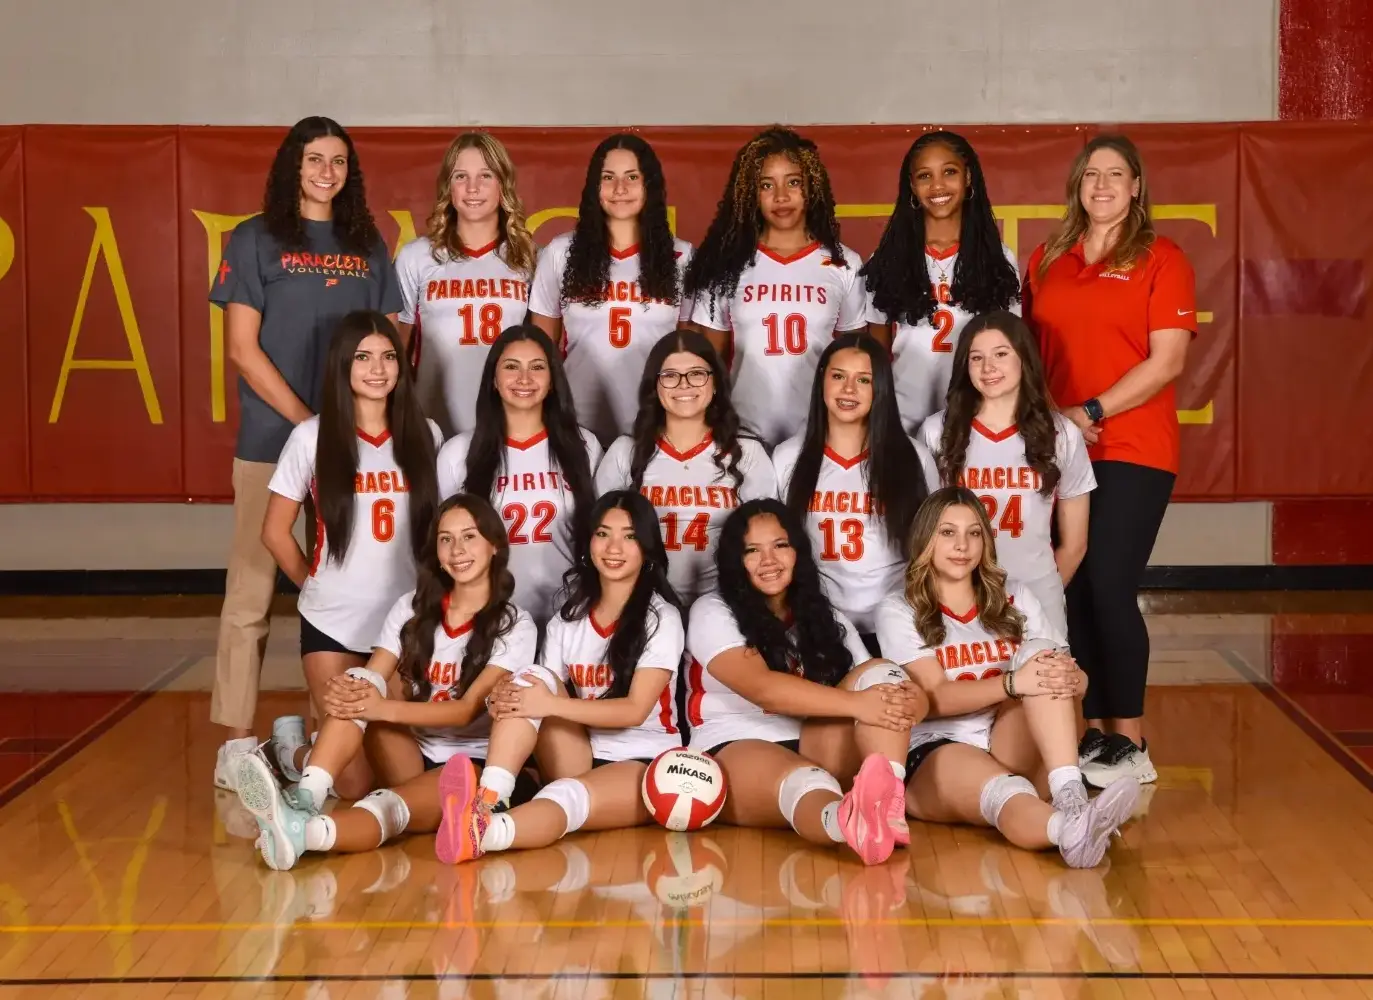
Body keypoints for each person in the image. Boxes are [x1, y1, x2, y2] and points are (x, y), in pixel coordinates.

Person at [210, 116, 400, 790]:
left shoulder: (366, 244)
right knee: (251, 592)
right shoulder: (254, 239)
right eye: (314, 159)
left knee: (355, 585)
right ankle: (236, 744)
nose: (326, 172)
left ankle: (329, 731)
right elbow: (242, 349)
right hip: (275, 442)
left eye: (338, 161)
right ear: (292, 166)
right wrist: (309, 426)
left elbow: (388, 342)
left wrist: (354, 426)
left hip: (359, 450)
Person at [232, 494, 537, 870]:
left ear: (495, 545)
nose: (457, 550)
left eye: (469, 537)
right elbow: (373, 677)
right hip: (411, 749)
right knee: (360, 680)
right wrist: (351, 690)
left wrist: (379, 707)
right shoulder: (411, 606)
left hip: (473, 760)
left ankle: (302, 833)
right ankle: (307, 796)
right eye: (446, 539)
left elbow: (464, 711)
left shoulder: (516, 624)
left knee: (389, 807)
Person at [1023, 134, 1196, 786]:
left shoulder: (1161, 258)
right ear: (1077, 185)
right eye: (1091, 173)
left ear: (1135, 187)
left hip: (1131, 446)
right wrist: (1054, 418)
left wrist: (1088, 411)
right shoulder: (1047, 258)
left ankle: (1130, 739)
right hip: (1060, 449)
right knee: (1068, 584)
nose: (1101, 185)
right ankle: (1094, 732)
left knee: (1108, 583)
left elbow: (1167, 360)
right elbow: (1028, 355)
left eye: (1115, 174)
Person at [874, 487, 1140, 869]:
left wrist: (1072, 679)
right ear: (925, 539)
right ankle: (1069, 831)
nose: (962, 545)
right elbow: (933, 699)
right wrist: (1013, 683)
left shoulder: (1016, 595)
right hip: (941, 745)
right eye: (947, 532)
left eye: (974, 533)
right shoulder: (899, 608)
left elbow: (1074, 681)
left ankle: (1069, 793)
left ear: (986, 540)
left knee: (1042, 654)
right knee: (1008, 790)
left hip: (1013, 736)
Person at [433, 491, 687, 863]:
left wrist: (547, 704)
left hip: (643, 759)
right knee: (530, 678)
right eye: (603, 534)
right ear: (589, 542)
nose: (613, 547)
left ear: (647, 548)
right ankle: (489, 797)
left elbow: (634, 710)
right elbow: (538, 696)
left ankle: (485, 833)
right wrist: (501, 699)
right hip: (578, 751)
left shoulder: (661, 617)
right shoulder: (568, 620)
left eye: (629, 536)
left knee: (565, 794)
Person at [258, 312, 441, 798]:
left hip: (402, 625)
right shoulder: (311, 436)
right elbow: (274, 532)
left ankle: (312, 746)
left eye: (388, 357)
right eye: (363, 357)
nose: (377, 369)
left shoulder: (427, 435)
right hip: (332, 624)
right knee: (353, 784)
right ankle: (287, 752)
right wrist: (314, 587)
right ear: (342, 365)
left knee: (403, 777)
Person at [684, 498, 924, 866]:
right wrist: (860, 705)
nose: (769, 560)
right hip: (735, 742)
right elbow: (764, 689)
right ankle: (845, 823)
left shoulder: (826, 617)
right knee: (806, 780)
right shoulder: (712, 611)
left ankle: (889, 803)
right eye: (752, 550)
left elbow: (880, 686)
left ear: (798, 552)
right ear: (736, 562)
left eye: (780, 545)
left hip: (814, 739)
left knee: (882, 673)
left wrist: (914, 700)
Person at [684, 127, 867, 447]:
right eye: (766, 185)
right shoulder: (725, 265)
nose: (781, 196)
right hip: (743, 434)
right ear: (750, 194)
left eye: (793, 182)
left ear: (811, 187)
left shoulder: (844, 263)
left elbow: (857, 360)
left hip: (819, 434)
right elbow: (710, 363)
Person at [919, 311, 1095, 639]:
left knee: (1048, 672)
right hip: (958, 600)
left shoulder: (1062, 434)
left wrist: (1039, 593)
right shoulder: (937, 431)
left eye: (1001, 354)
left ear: (1024, 359)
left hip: (1037, 593)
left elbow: (1075, 544)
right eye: (976, 357)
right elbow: (925, 534)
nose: (988, 367)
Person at [528, 134, 693, 445]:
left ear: (649, 185)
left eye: (632, 177)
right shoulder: (561, 253)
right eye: (608, 178)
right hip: (577, 426)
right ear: (594, 186)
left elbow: (691, 353)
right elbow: (540, 350)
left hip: (656, 424)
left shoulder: (682, 257)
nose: (620, 189)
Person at [773, 333, 937, 645]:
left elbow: (933, 547)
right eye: (838, 376)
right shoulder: (788, 457)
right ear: (822, 380)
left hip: (899, 622)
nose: (849, 389)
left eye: (863, 380)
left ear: (880, 388)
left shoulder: (913, 457)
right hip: (819, 623)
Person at [596, 329, 776, 604]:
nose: (684, 385)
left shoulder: (747, 452)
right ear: (654, 386)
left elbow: (767, 542)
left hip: (726, 604)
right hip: (643, 602)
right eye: (670, 376)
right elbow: (599, 540)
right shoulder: (625, 451)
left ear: (715, 382)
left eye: (697, 374)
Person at [436, 324, 600, 626]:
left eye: (537, 367)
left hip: (571, 616)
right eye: (511, 367)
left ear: (553, 380)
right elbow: (444, 548)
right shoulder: (457, 452)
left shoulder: (584, 446)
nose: (524, 378)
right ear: (494, 379)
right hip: (491, 620)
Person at [860, 131, 1022, 433]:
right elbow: (877, 350)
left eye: (949, 172)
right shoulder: (887, 260)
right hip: (904, 416)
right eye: (925, 176)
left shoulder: (997, 258)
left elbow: (1010, 344)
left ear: (968, 177)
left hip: (975, 414)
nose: (937, 186)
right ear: (911, 185)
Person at [395, 131, 537, 436]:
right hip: (432, 426)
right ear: (448, 186)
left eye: (485, 175)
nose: (473, 188)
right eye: (461, 176)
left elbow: (543, 351)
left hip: (508, 427)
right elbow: (396, 350)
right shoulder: (417, 256)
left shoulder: (529, 259)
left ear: (503, 184)